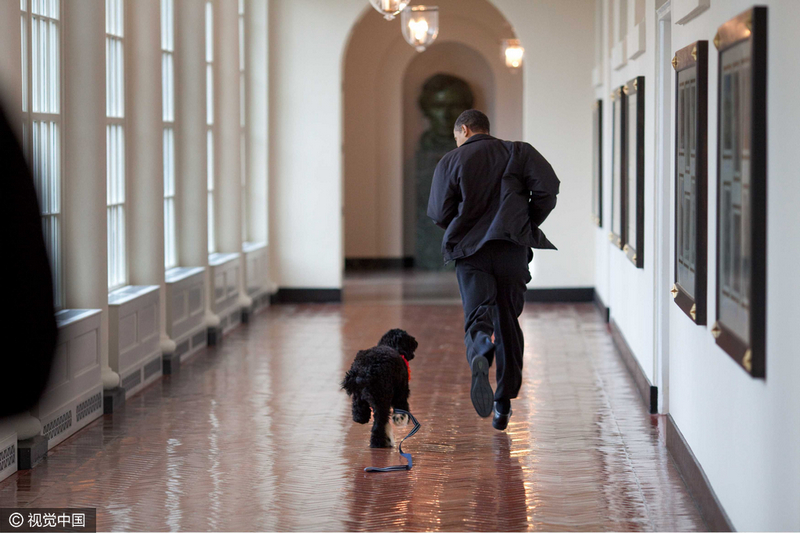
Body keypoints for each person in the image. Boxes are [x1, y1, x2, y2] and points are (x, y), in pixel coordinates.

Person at [427, 109, 560, 430]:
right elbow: (548, 189)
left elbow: (438, 211)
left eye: (456, 136)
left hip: (472, 252)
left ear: (466, 130)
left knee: (478, 314)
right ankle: (503, 403)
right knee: (507, 320)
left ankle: (481, 350)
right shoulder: (518, 151)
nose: (457, 141)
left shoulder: (451, 161)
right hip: (511, 249)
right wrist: (523, 221)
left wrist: (462, 224)